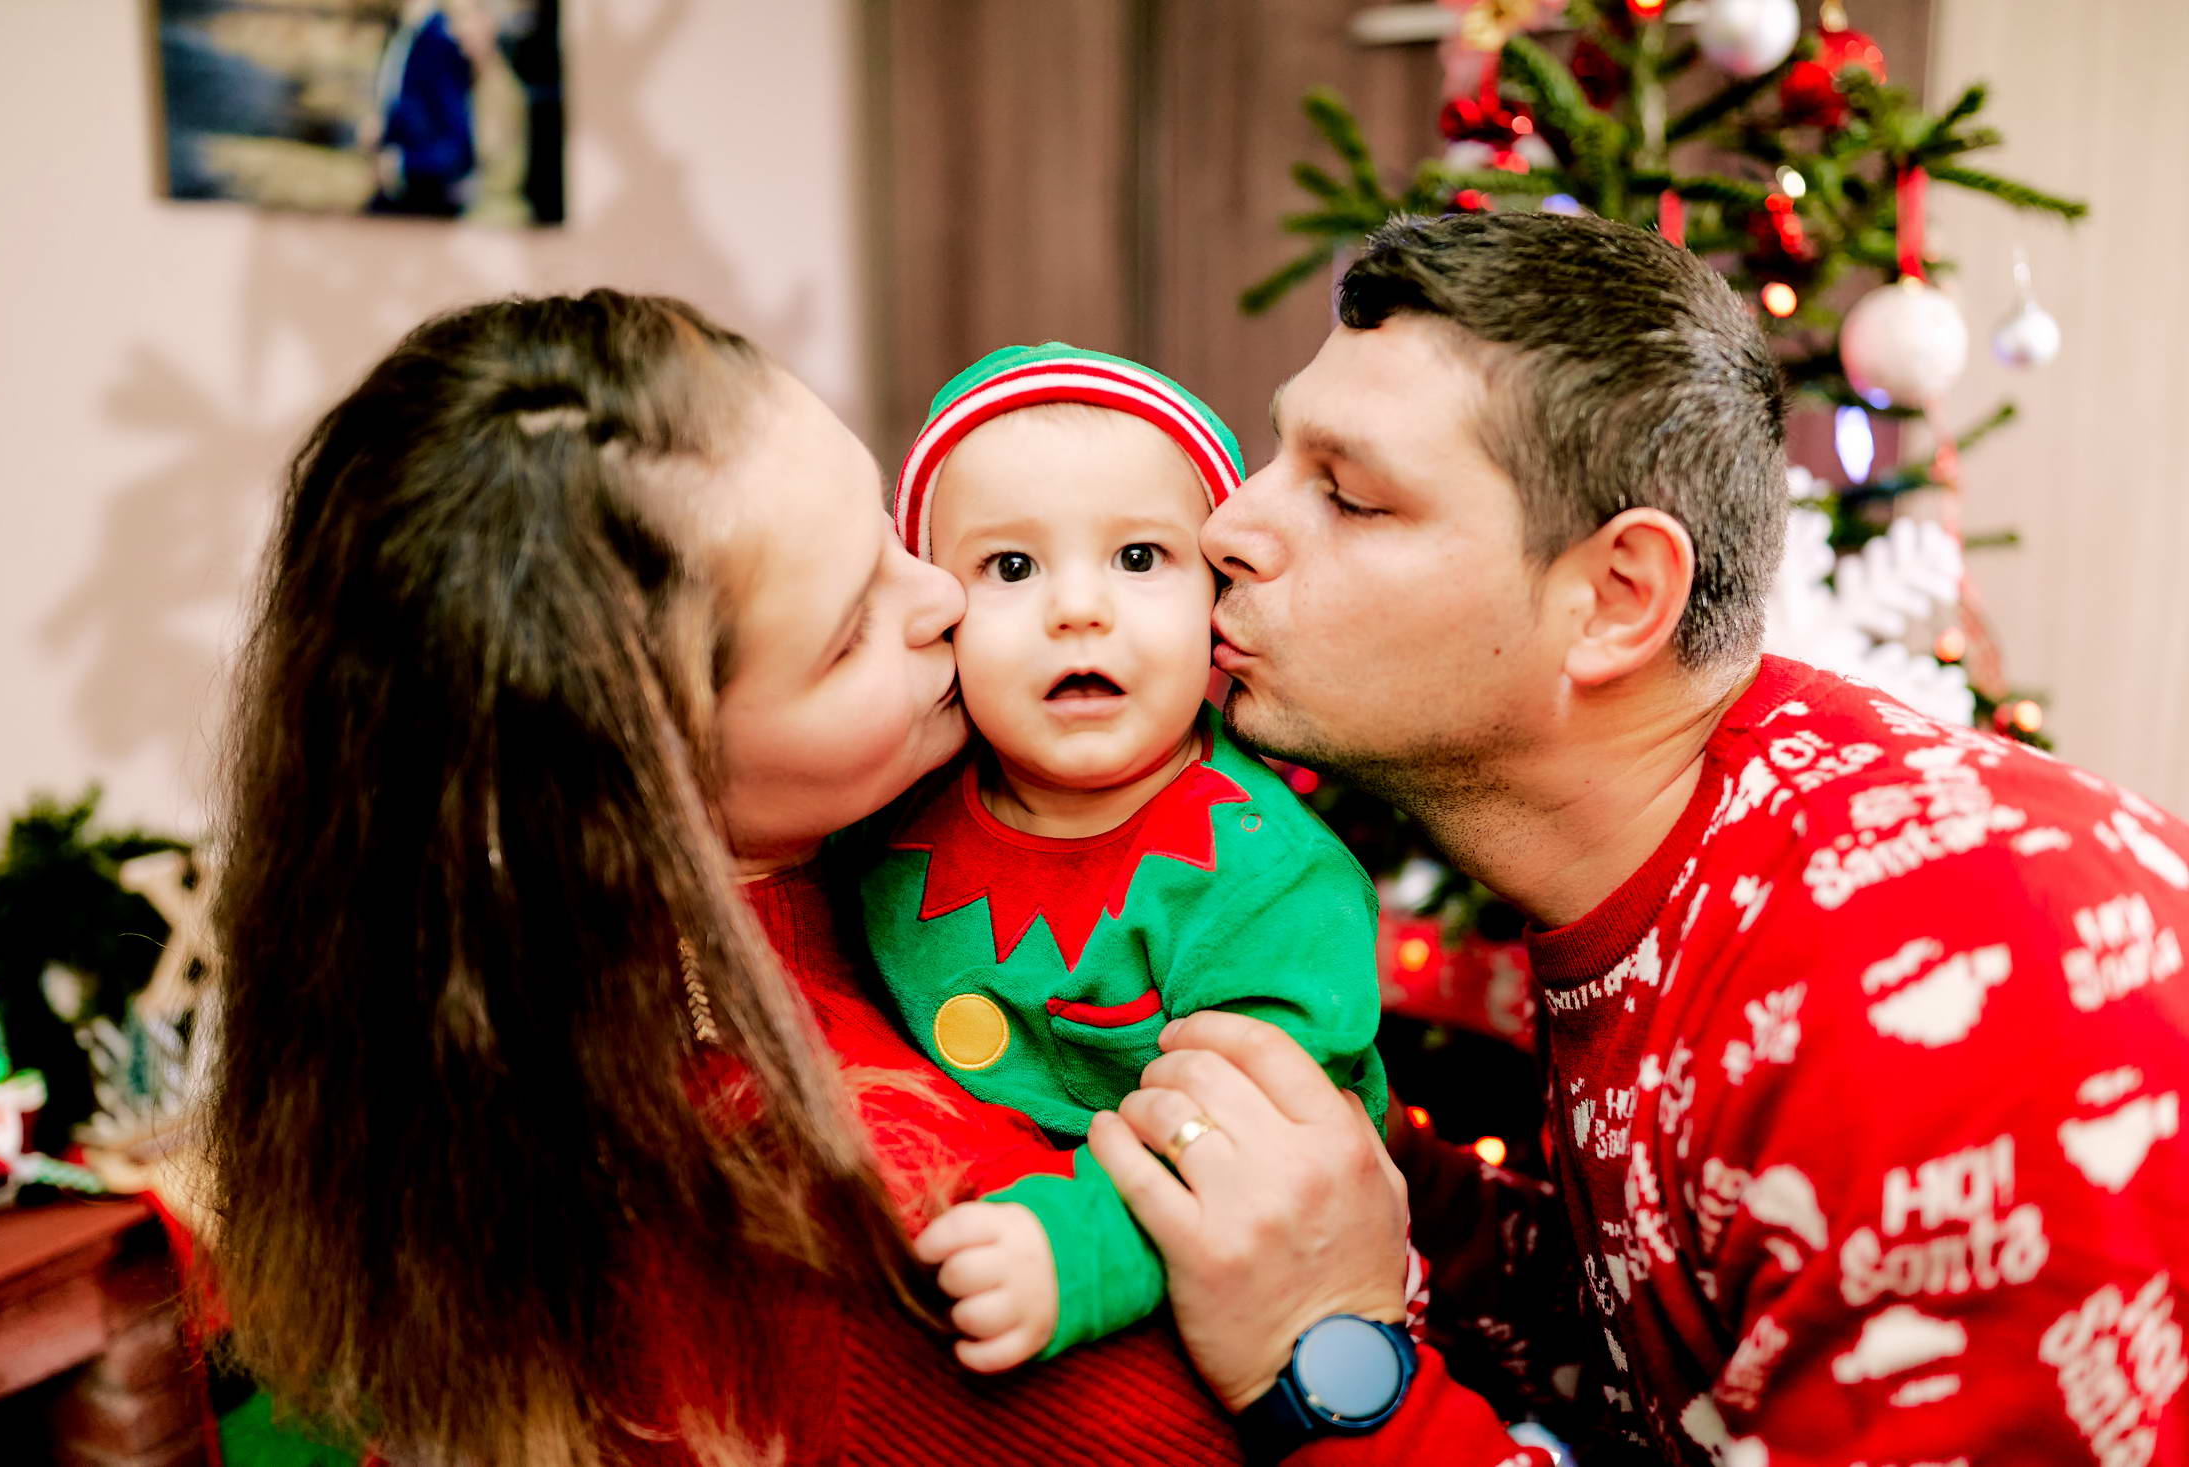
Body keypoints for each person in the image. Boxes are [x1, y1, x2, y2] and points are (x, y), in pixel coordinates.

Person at [1085, 212, 2189, 1464]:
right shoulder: (1687, 853)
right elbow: (1671, 1343)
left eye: (1349, 495)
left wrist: (1320, 1353)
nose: (1228, 527)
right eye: (1281, 454)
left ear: (1616, 600)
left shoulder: (1959, 992)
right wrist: (1363, 1174)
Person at [204, 292, 1246, 1466]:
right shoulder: (840, 1209)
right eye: (849, 632)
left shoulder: (548, 985)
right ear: (639, 777)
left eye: (889, 535)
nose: (945, 596)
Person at [858, 344, 1389, 1370]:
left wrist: (1083, 1248)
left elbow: (1258, 1145)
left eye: (1139, 558)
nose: (1078, 609)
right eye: (1011, 568)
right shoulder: (890, 797)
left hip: (1231, 1301)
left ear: (1215, 599)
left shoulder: (1268, 880)